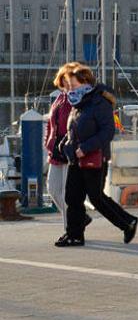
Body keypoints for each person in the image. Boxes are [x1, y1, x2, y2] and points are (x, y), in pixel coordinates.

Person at [56, 65, 138, 247]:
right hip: (76, 159)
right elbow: (74, 129)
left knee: (96, 197)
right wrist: (64, 145)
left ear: (85, 83)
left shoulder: (99, 103)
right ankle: (74, 234)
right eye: (68, 86)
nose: (69, 89)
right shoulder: (78, 102)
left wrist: (85, 148)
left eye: (72, 85)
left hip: (95, 158)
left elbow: (108, 132)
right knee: (72, 197)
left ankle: (128, 222)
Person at [45, 63, 86, 232]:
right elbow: (50, 121)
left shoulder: (78, 97)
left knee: (66, 194)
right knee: (53, 189)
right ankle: (80, 218)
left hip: (70, 147)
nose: (67, 83)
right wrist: (47, 140)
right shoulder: (59, 98)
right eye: (64, 79)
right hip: (56, 149)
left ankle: (70, 229)